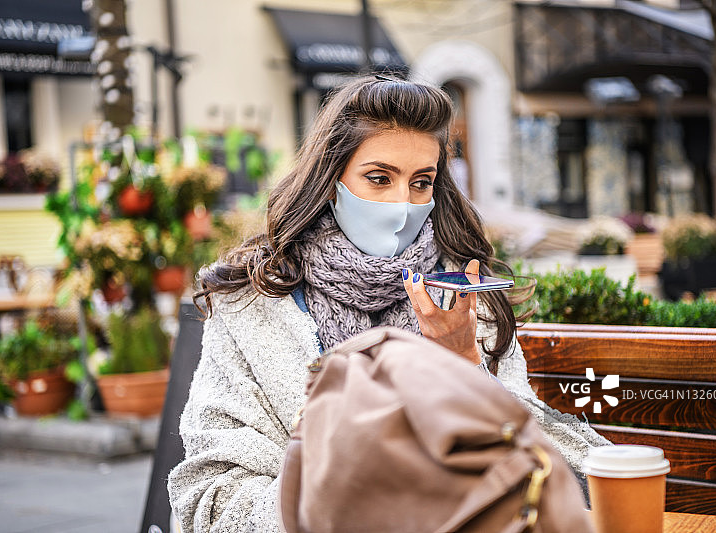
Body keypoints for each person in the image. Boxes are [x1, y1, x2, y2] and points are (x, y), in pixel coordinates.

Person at [167, 75, 610, 533]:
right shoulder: (252, 304)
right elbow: (208, 497)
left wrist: (466, 367)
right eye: (379, 179)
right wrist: (336, 494)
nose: (402, 203)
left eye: (422, 182)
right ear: (331, 179)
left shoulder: (466, 296)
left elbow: (538, 461)